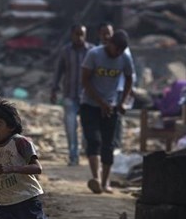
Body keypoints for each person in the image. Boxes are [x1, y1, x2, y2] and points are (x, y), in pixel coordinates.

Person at [81, 29, 135, 194]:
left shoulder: (124, 58)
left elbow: (129, 78)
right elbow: (85, 80)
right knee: (93, 140)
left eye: (120, 51)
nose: (117, 53)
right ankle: (96, 178)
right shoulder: (94, 54)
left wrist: (123, 101)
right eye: (115, 49)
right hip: (90, 105)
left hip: (111, 106)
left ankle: (105, 182)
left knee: (108, 144)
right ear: (110, 43)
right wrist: (100, 102)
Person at [51, 25, 93, 166]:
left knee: (88, 127)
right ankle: (73, 156)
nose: (79, 37)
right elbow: (58, 71)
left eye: (82, 34)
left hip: (88, 96)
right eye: (77, 34)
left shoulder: (92, 51)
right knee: (70, 127)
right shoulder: (65, 51)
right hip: (69, 95)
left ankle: (88, 152)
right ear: (72, 35)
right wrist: (54, 89)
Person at [98, 22, 135, 151]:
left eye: (108, 33)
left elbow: (130, 73)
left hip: (119, 88)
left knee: (116, 118)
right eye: (104, 34)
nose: (106, 36)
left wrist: (130, 90)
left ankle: (115, 145)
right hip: (102, 90)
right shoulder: (97, 51)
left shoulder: (123, 50)